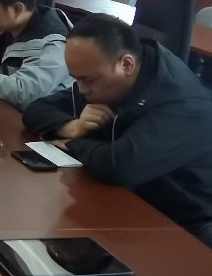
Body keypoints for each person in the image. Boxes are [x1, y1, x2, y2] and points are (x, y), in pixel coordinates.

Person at [22, 14, 212, 247]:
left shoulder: (184, 103)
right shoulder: (107, 80)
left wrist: (73, 143)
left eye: (88, 80)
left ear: (126, 65)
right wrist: (72, 126)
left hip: (188, 225)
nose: (81, 89)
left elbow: (119, 166)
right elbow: (35, 110)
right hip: (131, 202)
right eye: (76, 79)